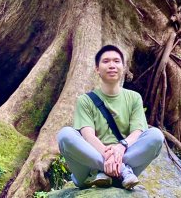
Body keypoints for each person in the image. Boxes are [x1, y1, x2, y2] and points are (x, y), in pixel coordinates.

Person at [57, 45, 164, 190]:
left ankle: (110, 171)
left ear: (124, 68)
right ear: (97, 69)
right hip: (88, 171)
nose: (112, 65)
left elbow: (137, 132)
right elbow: (88, 136)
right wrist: (107, 156)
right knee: (65, 135)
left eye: (116, 61)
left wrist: (121, 147)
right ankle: (118, 170)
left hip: (125, 155)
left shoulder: (133, 98)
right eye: (106, 61)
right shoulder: (85, 100)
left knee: (156, 136)